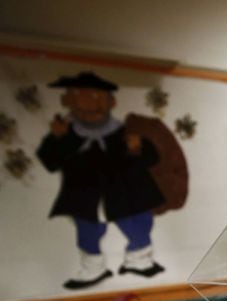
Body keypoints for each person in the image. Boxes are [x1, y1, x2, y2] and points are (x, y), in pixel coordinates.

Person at [37, 71, 166, 289]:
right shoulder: (65, 134)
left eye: (95, 96)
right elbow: (50, 162)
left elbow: (152, 158)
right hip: (86, 194)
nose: (87, 102)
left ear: (111, 101)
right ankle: (92, 268)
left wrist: (137, 149)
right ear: (67, 100)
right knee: (88, 230)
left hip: (127, 192)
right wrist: (60, 140)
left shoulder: (126, 132)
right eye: (78, 95)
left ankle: (139, 260)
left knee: (139, 224)